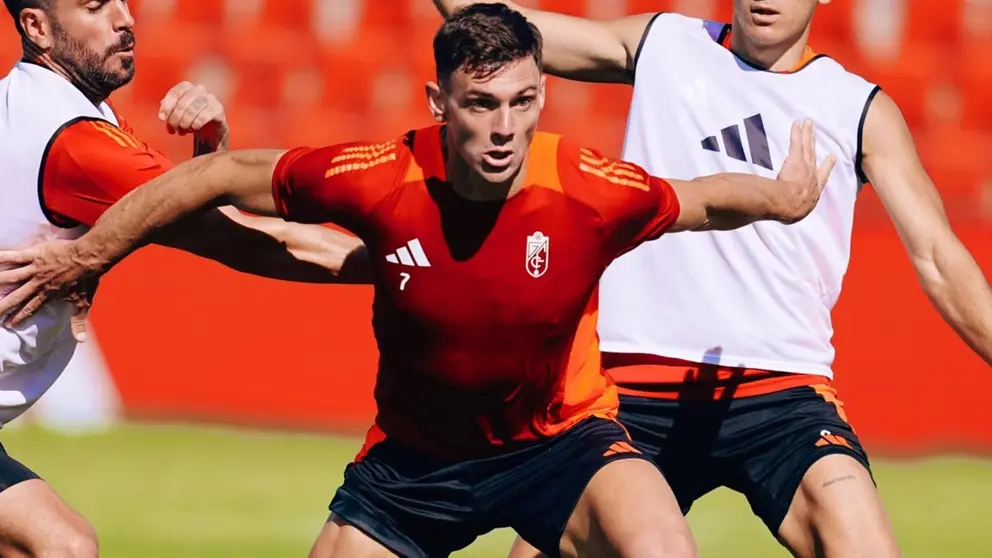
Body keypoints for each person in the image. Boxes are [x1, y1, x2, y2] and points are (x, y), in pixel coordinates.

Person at [0, 5, 836, 557]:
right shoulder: (375, 176)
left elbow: (702, 200)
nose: (504, 128)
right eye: (481, 104)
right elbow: (216, 187)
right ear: (439, 102)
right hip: (414, 466)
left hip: (564, 444)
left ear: (543, 96)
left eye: (521, 101)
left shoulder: (587, 185)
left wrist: (785, 195)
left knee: (662, 547)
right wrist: (86, 254)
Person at [424, 2, 992, 558]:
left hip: (782, 394)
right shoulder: (665, 44)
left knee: (863, 543)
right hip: (629, 388)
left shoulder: (859, 108)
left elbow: (939, 258)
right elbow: (493, 22)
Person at [0, 0, 366, 556]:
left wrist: (209, 160)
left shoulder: (38, 108)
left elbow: (186, 209)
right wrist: (412, 261)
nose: (125, 18)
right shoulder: (75, 142)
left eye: (123, 0)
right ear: (37, 28)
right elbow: (257, 242)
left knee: (58, 546)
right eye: (96, 7)